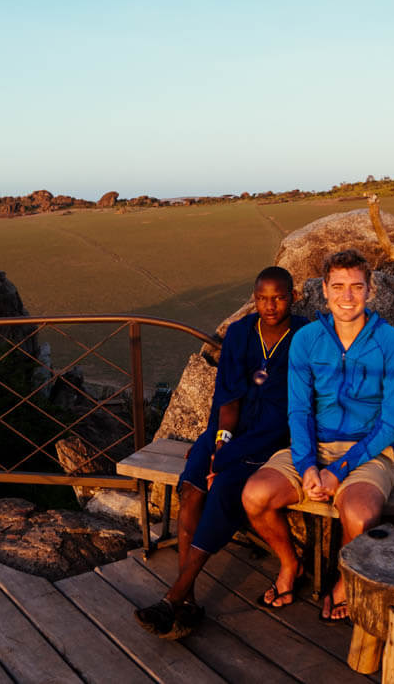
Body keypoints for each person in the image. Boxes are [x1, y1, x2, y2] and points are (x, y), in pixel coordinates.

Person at [134, 266, 309, 639]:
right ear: (254, 297)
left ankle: (171, 599)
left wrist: (226, 460)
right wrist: (218, 447)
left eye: (278, 297)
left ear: (292, 297)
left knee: (225, 489)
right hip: (227, 431)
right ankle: (189, 602)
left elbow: (295, 410)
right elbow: (227, 399)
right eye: (262, 298)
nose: (270, 305)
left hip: (271, 438)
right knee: (192, 487)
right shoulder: (242, 333)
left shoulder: (307, 336)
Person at [242, 250, 394, 622]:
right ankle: (290, 565)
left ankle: (344, 581)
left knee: (360, 513)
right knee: (254, 495)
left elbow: (390, 425)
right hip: (312, 445)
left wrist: (338, 470)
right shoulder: (307, 340)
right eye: (338, 287)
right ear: (324, 290)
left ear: (370, 291)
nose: (347, 296)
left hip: (370, 450)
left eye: (356, 287)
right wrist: (306, 466)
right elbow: (299, 410)